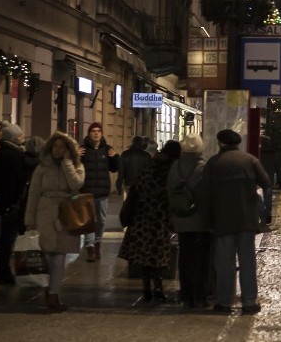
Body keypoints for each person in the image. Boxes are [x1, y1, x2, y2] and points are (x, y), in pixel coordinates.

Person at [199, 129, 270, 315]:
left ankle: (223, 303)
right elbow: (266, 182)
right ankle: (249, 303)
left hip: (222, 221)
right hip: (247, 220)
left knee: (224, 263)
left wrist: (206, 220)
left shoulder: (214, 163)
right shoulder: (250, 160)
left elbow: (205, 194)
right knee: (248, 262)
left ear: (221, 143)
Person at [23, 132, 85, 311]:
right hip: (44, 214)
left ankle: (54, 294)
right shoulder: (42, 167)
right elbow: (33, 194)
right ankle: (47, 291)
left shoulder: (76, 165)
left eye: (62, 147)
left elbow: (76, 184)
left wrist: (67, 163)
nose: (58, 150)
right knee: (46, 257)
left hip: (66, 214)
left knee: (59, 258)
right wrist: (29, 220)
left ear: (68, 149)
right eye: (55, 146)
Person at [119, 139, 180, 303]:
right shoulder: (169, 168)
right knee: (158, 254)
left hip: (141, 215)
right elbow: (168, 192)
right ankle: (158, 289)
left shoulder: (150, 163)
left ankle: (146, 289)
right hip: (158, 218)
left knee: (145, 254)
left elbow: (138, 186)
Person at [169, 134, 212, 309]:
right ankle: (200, 296)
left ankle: (186, 295)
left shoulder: (175, 166)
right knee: (202, 260)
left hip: (181, 220)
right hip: (200, 222)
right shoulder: (203, 168)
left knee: (185, 258)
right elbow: (208, 195)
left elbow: (170, 191)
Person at [0, 123, 28, 284]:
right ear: (15, 138)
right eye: (21, 136)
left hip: (4, 202)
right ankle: (8, 272)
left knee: (5, 236)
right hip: (13, 203)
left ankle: (4, 270)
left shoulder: (2, 152)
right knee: (9, 237)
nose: (23, 138)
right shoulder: (14, 155)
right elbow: (18, 180)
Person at [79, 122, 119, 262]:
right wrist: (76, 156)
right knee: (90, 221)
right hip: (87, 191)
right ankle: (89, 246)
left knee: (101, 221)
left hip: (102, 192)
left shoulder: (107, 149)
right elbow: (74, 166)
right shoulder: (82, 149)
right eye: (93, 131)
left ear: (101, 134)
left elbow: (114, 168)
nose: (96, 133)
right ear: (89, 134)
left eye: (98, 131)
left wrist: (115, 157)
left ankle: (97, 243)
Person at [258, 133, 276, 227]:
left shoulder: (258, 154)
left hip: (258, 179)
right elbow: (276, 166)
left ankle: (262, 216)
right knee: (267, 199)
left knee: (258, 199)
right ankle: (267, 216)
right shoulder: (272, 153)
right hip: (268, 179)